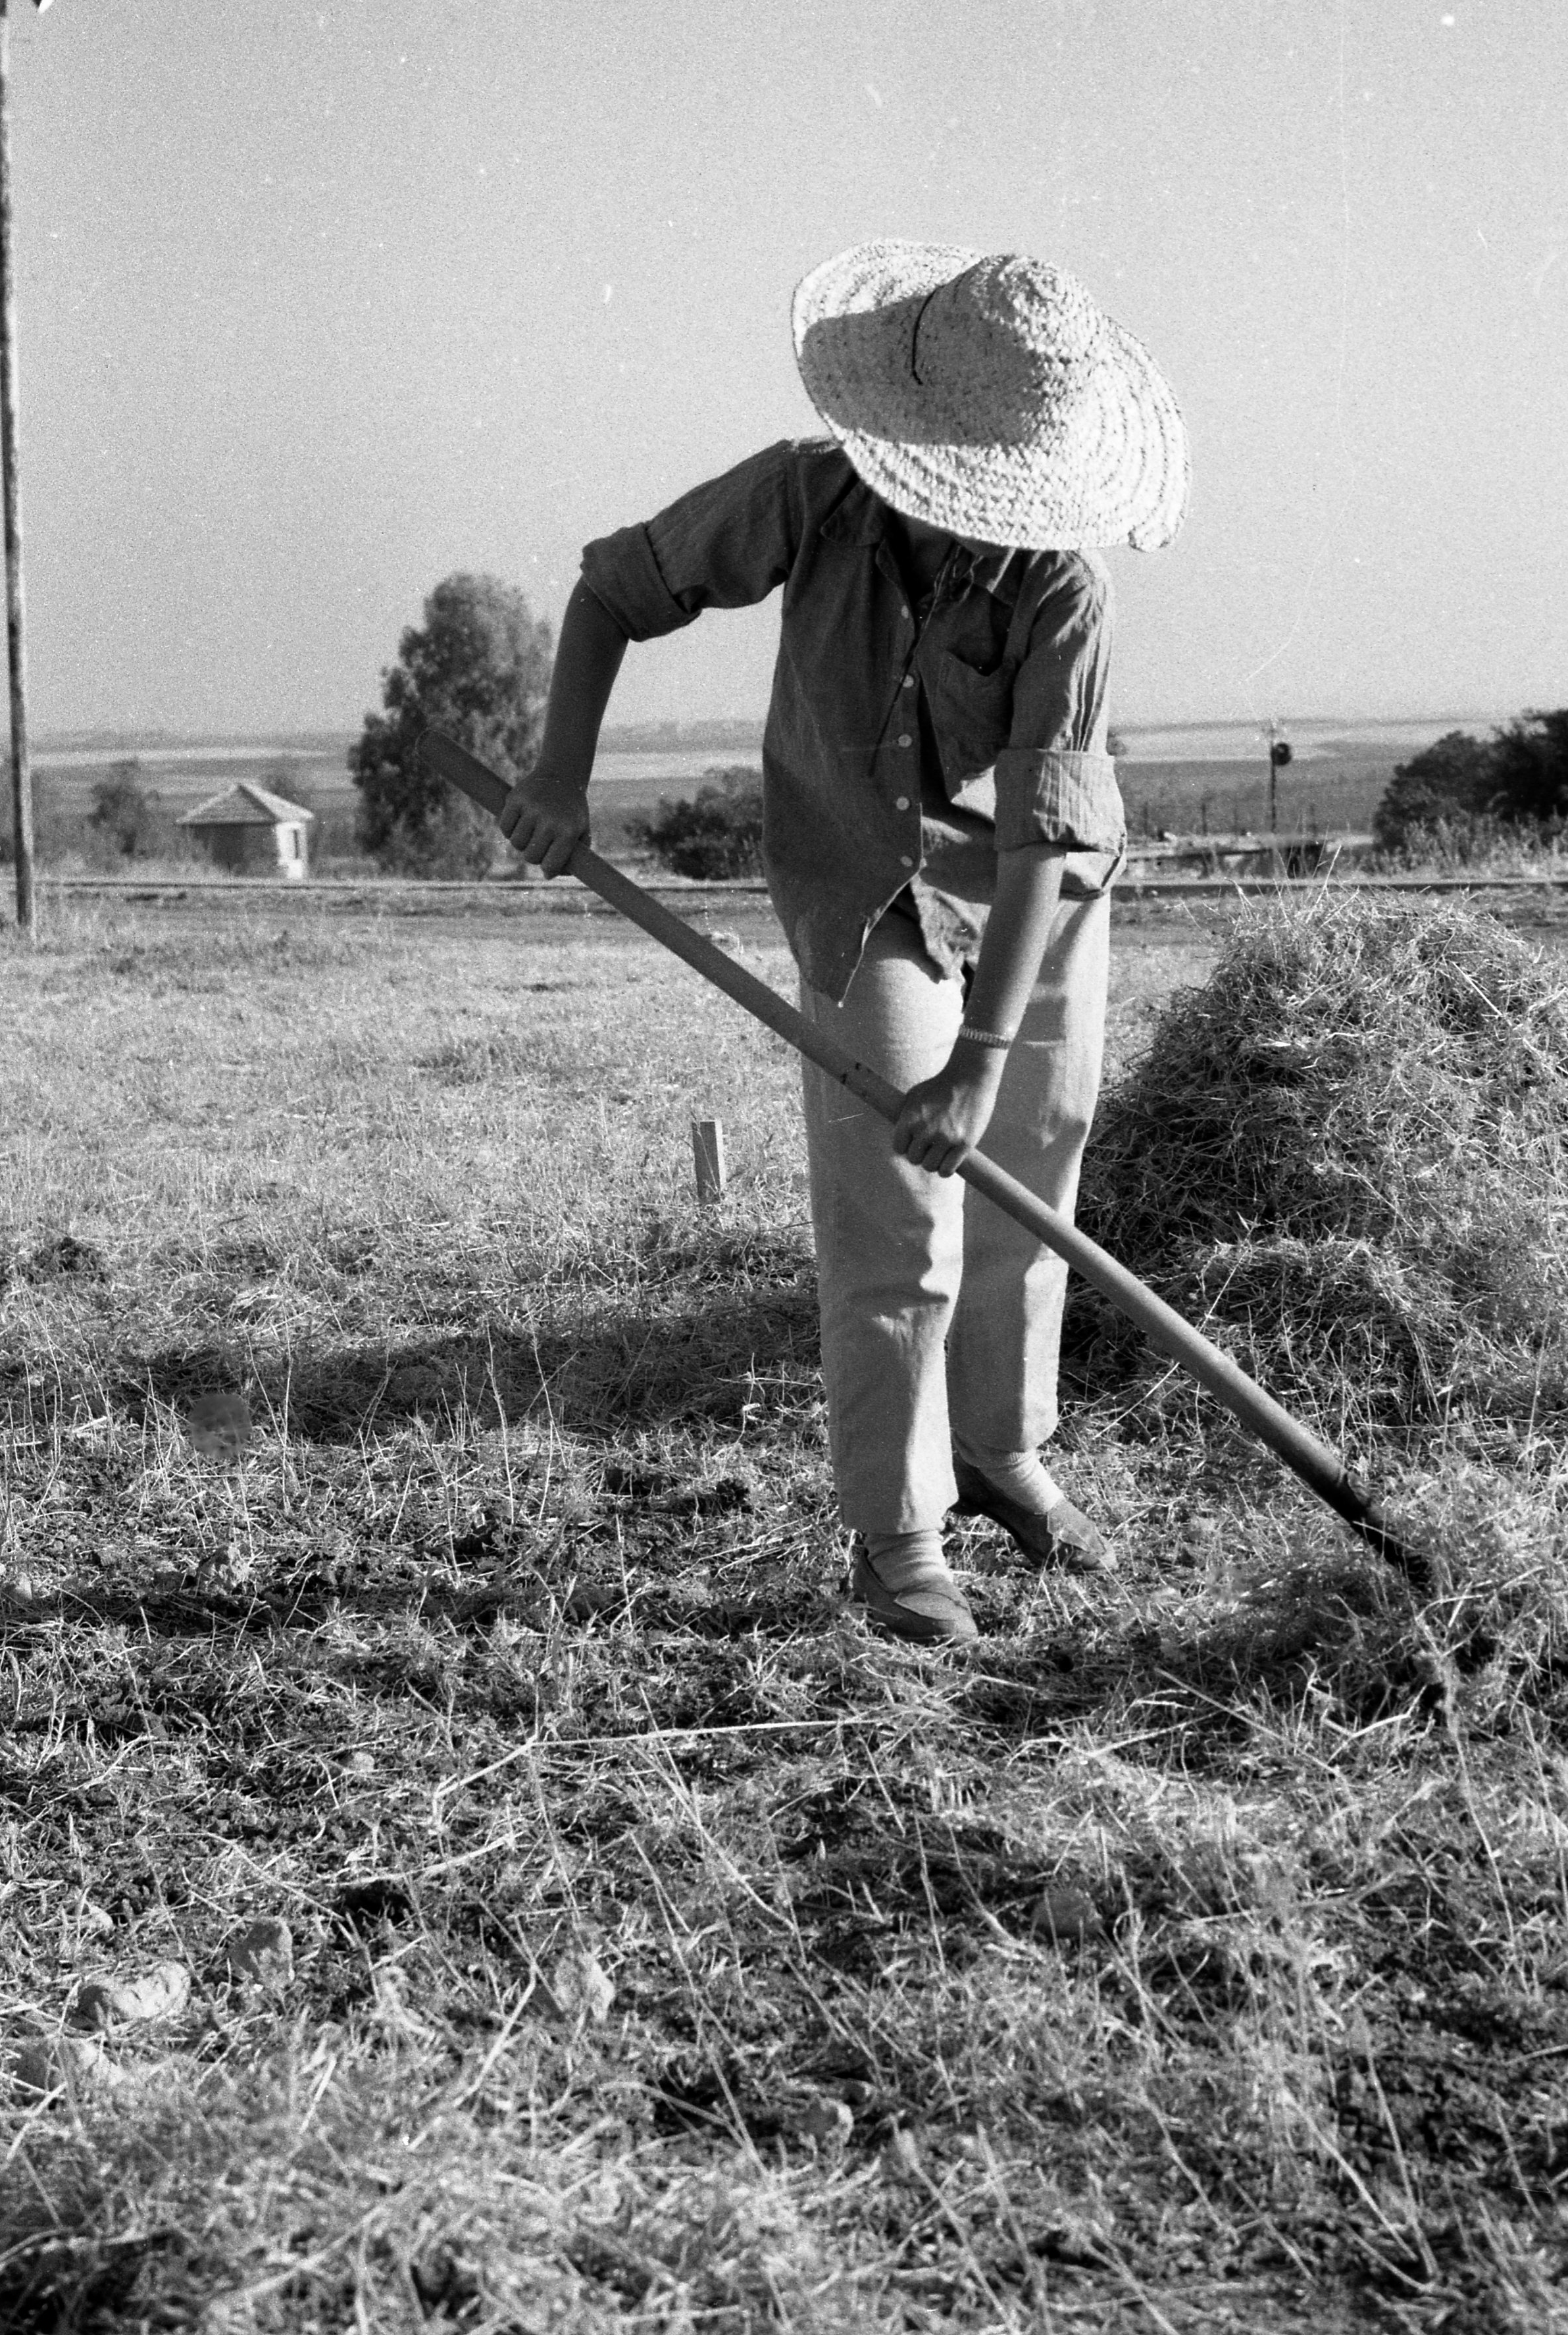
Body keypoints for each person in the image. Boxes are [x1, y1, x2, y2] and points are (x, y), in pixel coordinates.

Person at [497, 244, 1185, 1648]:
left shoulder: (1067, 593)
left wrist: (987, 1059)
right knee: (898, 1221)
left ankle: (1001, 1453)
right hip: (868, 887)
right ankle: (896, 1530)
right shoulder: (805, 496)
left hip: (1039, 898)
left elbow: (1047, 834)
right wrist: (559, 777)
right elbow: (613, 588)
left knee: (1028, 1179)